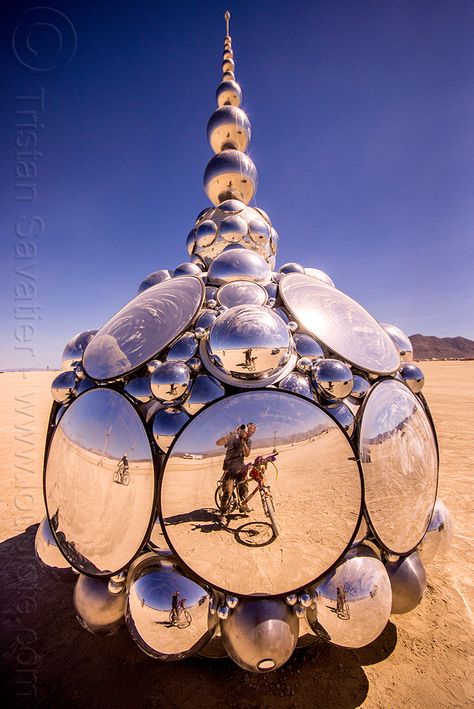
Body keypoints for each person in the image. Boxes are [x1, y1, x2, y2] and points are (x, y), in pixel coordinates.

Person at [216, 422, 256, 525]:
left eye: (252, 432)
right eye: (249, 430)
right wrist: (231, 434)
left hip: (240, 468)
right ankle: (222, 514)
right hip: (229, 469)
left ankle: (243, 506)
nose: (250, 433)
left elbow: (247, 454)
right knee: (228, 492)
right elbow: (218, 443)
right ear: (245, 429)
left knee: (244, 488)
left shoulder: (248, 441)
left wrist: (243, 441)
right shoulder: (233, 437)